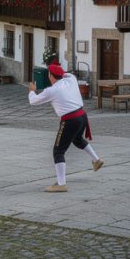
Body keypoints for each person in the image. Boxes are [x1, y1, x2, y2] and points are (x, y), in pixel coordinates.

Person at [29, 63, 105, 192]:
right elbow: (66, 73)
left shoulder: (51, 90)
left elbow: (33, 101)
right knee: (77, 140)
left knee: (58, 151)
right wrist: (59, 71)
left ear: (50, 75)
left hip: (70, 120)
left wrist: (32, 90)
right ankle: (96, 160)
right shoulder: (71, 79)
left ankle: (61, 184)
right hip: (82, 115)